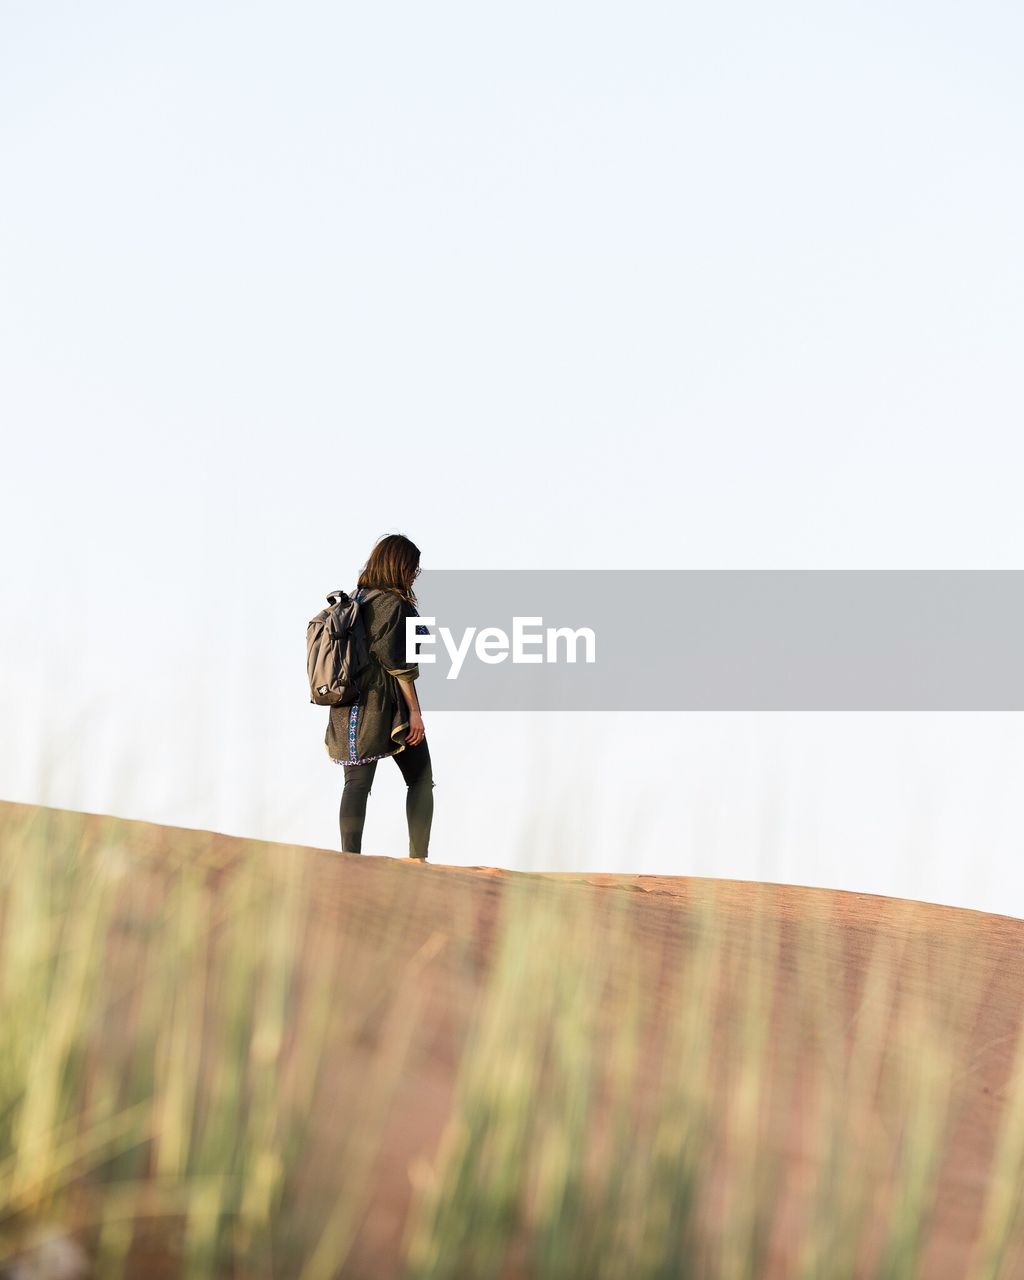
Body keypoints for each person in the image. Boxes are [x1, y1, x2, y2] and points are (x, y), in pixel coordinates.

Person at [327, 534, 434, 859]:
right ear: (399, 566)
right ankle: (418, 859)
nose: (414, 574)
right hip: (386, 706)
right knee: (420, 779)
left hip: (346, 706)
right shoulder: (394, 604)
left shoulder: (353, 600)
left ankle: (349, 860)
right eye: (412, 567)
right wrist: (414, 712)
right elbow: (402, 664)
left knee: (357, 783)